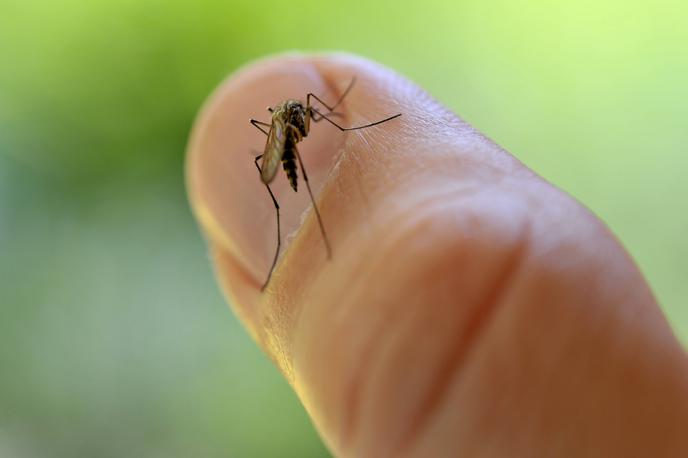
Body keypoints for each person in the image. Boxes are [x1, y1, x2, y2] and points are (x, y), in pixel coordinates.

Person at [186, 53, 688, 456]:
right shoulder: (283, 128)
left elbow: (307, 113)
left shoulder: (296, 111)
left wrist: (342, 122)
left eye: (301, 114)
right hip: (285, 176)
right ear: (289, 119)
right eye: (299, 115)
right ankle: (288, 227)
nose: (303, 115)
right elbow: (278, 146)